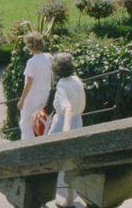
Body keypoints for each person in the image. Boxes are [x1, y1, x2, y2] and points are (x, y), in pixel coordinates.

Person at [48, 53, 86, 208]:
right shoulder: (77, 80)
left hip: (64, 121)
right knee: (72, 162)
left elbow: (67, 108)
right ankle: (70, 200)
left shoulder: (62, 85)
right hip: (78, 119)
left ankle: (44, 196)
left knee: (47, 157)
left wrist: (65, 132)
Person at [17, 32, 52, 140]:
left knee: (25, 123)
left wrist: (22, 100)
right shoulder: (49, 57)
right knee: (41, 120)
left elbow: (29, 83)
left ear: (30, 46)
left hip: (33, 97)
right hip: (45, 94)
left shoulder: (31, 62)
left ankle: (28, 147)